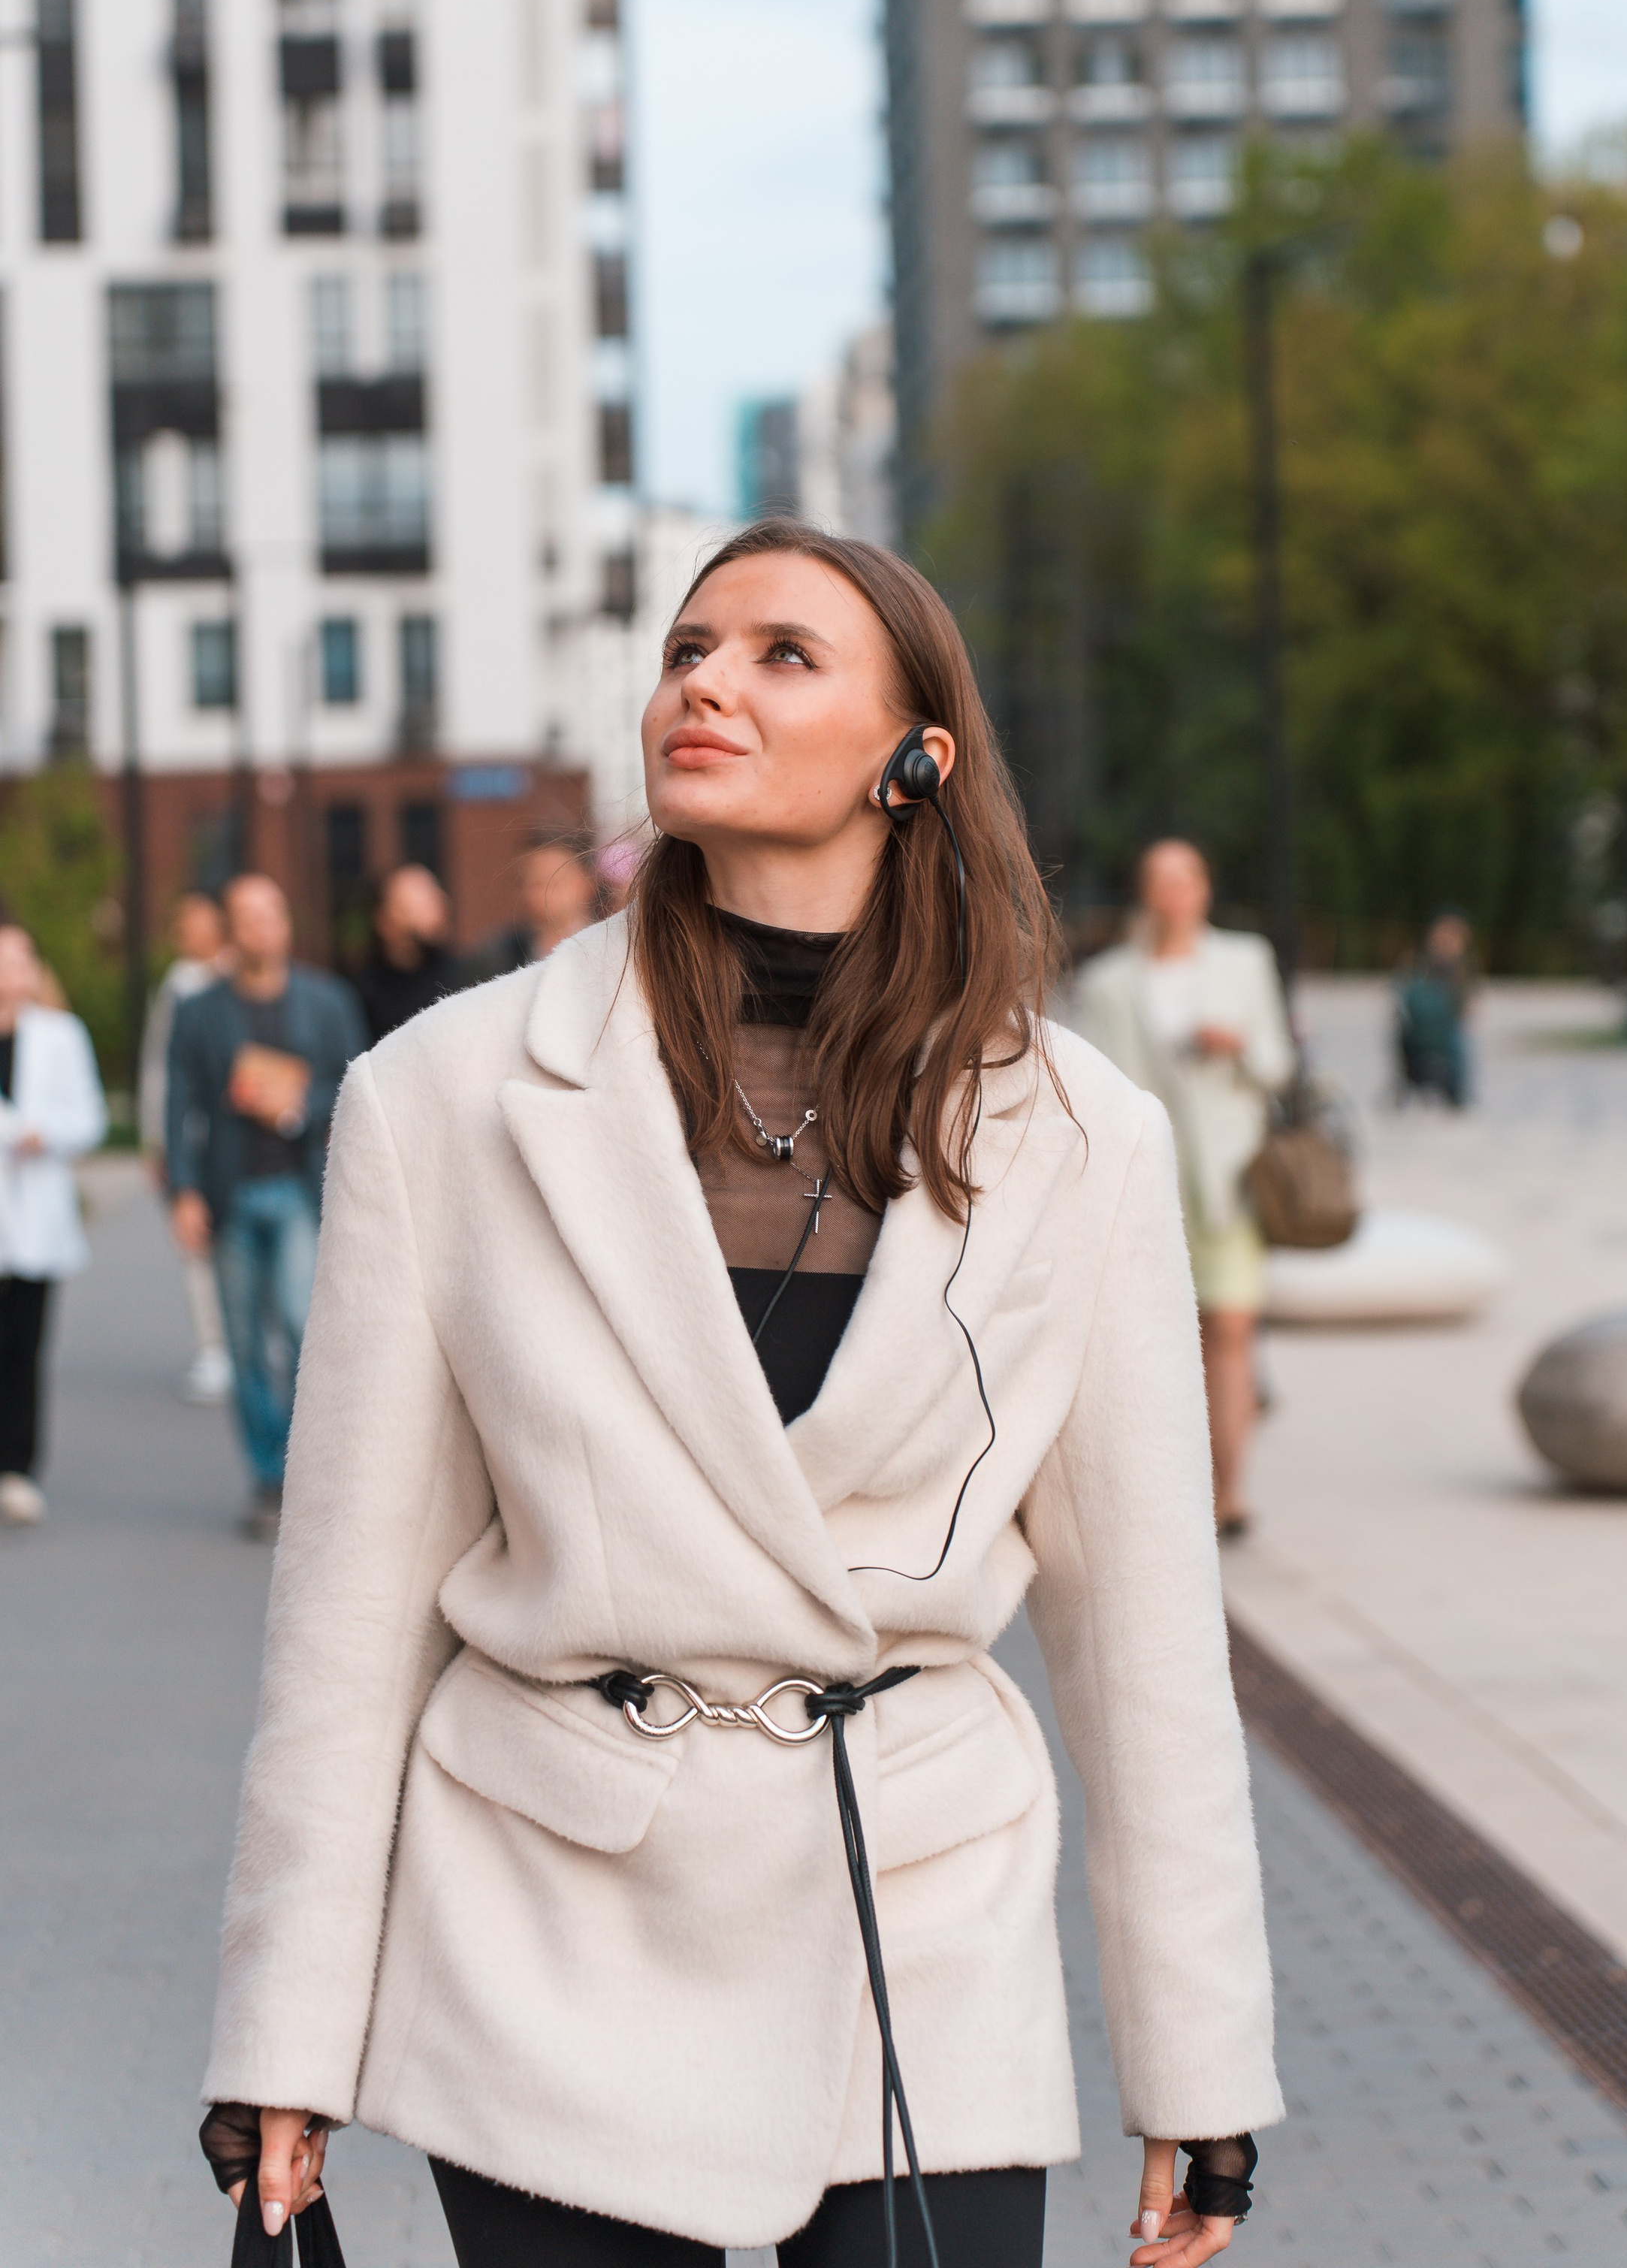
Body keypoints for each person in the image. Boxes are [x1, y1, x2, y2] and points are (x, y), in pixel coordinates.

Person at [198, 520, 1280, 2268]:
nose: (704, 677)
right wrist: (283, 2031)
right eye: (687, 645)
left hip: (917, 1903)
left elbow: (1145, 1638)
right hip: (556, 1907)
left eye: (784, 653)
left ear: (913, 757)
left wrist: (1197, 2052)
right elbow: (347, 1612)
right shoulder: (446, 1098)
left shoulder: (1081, 1133)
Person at [1072, 843, 1292, 1540]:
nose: (1174, 892)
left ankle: (1231, 1493)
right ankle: (1181, 1481)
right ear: (1145, 891)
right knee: (1166, 1338)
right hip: (1147, 1181)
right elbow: (1094, 1081)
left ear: (1204, 886)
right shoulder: (1110, 981)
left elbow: (1279, 1065)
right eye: (1160, 880)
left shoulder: (1245, 961)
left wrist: (1238, 1046)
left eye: (1186, 877)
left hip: (1228, 1179)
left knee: (1229, 1327)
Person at [166, 874, 365, 1540]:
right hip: (230, 1193)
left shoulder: (326, 1001)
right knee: (246, 1344)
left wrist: (297, 1110)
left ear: (285, 923)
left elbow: (357, 1080)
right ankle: (268, 1477)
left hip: (299, 1189)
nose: (259, 927)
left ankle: (313, 1474)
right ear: (230, 929)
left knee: (304, 1331)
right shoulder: (198, 1012)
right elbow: (178, 1104)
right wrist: (184, 1192)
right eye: (245, 917)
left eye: (269, 914)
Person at [0, 924, 108, 1527]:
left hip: (37, 1211)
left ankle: (16, 1467)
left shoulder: (60, 1036)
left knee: (25, 1343)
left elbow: (88, 1116)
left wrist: (49, 1133)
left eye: (19, 958)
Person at [139, 890, 234, 1404]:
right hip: (191, 1132)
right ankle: (215, 1346)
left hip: (237, 1133)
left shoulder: (241, 976)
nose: (187, 930)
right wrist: (156, 1140)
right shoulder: (179, 984)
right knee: (197, 1243)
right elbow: (159, 1068)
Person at [466, 830, 601, 979]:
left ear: (587, 884)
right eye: (531, 883)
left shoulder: (610, 948)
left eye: (554, 882)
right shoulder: (497, 957)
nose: (542, 893)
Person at [354, 862, 461, 1043]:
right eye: (420, 899)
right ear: (384, 921)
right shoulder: (360, 994)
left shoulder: (464, 977)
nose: (440, 904)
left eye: (435, 894)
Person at [1392, 912, 1474, 1109]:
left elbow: (1467, 1010)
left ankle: (1456, 1091)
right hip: (1418, 1039)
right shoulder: (1416, 967)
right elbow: (1405, 1001)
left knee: (1459, 1040)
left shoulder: (1462, 974)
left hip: (1446, 1041)